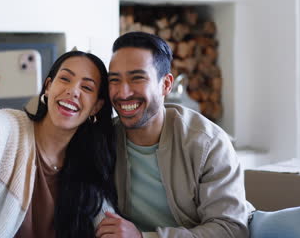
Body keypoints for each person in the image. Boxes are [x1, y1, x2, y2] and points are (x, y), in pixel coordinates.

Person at [0, 48, 117, 238]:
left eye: (87, 88)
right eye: (65, 79)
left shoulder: (89, 162)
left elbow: (107, 222)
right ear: (48, 87)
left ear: (96, 107)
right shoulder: (10, 128)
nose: (73, 91)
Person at [95, 32, 254, 238]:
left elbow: (230, 230)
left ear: (166, 84)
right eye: (114, 80)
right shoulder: (102, 141)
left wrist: (144, 237)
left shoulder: (207, 143)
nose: (123, 93)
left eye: (137, 78)